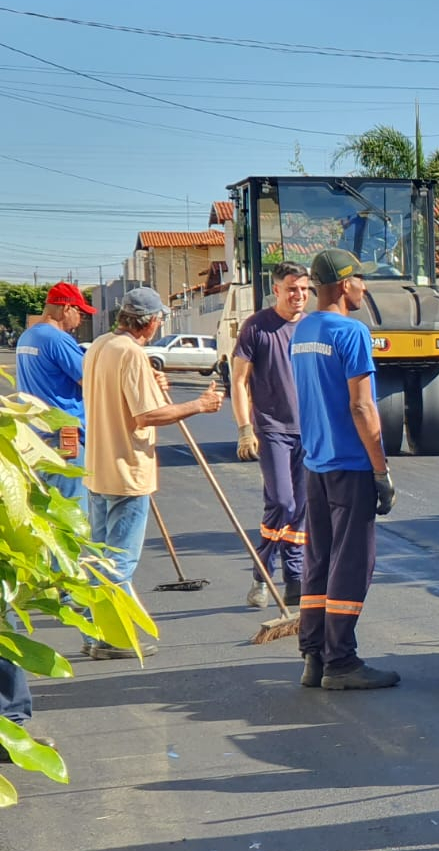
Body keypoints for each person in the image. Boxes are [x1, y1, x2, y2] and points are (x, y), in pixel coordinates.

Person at [81, 287, 225, 660]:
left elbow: (122, 396)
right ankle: (114, 638)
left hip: (98, 466)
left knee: (100, 559)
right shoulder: (130, 353)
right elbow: (144, 417)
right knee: (119, 563)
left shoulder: (101, 345)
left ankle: (96, 631)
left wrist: (154, 386)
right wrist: (200, 404)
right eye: (160, 317)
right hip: (127, 469)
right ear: (151, 321)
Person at [290, 248, 399, 691]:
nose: (364, 287)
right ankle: (342, 661)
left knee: (318, 560)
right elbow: (362, 406)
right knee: (352, 562)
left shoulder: (302, 331)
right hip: (350, 466)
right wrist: (381, 471)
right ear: (341, 285)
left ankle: (313, 656)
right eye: (359, 280)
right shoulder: (351, 332)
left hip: (314, 464)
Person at [233, 261, 312, 609]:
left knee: (302, 510)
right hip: (272, 429)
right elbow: (238, 381)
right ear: (277, 290)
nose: (299, 295)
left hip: (311, 431)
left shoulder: (313, 327)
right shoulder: (258, 328)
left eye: (305, 289)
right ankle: (262, 573)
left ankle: (294, 578)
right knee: (283, 502)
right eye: (292, 289)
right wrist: (244, 429)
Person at [15, 282, 94, 502]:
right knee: (71, 512)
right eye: (80, 312)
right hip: (64, 439)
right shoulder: (58, 339)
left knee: (47, 510)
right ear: (66, 308)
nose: (80, 320)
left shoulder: (27, 337)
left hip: (36, 436)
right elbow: (90, 381)